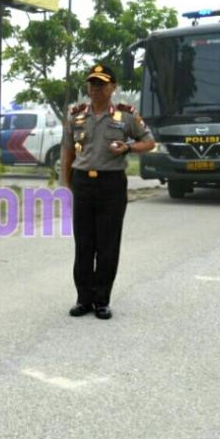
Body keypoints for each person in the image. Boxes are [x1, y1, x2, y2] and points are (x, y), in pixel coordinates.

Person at [61, 63, 155, 320]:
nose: (95, 88)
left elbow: (149, 142)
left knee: (107, 244)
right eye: (92, 84)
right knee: (83, 243)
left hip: (111, 184)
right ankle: (83, 299)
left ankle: (101, 300)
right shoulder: (76, 115)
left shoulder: (126, 115)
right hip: (82, 183)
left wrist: (128, 148)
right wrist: (67, 185)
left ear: (113, 87)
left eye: (101, 84)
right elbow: (67, 151)